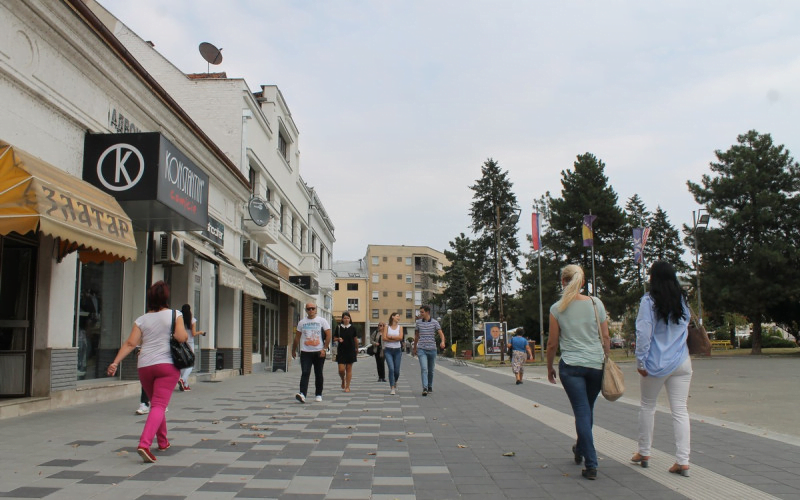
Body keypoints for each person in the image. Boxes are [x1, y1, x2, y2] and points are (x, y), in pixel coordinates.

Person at [106, 280, 188, 463]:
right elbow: (182, 337)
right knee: (159, 405)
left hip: (145, 366)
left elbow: (130, 344)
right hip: (167, 365)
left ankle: (163, 441)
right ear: (166, 296)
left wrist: (115, 362)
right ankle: (144, 444)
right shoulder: (176, 315)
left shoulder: (141, 320)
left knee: (156, 404)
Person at [546, 265, 610, 480]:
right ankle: (580, 450)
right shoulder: (595, 303)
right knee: (587, 410)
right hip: (595, 365)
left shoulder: (557, 308)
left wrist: (549, 367)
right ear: (582, 283)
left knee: (582, 411)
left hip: (571, 366)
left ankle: (591, 463)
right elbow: (606, 337)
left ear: (563, 281)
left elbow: (552, 343)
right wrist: (606, 360)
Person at [631, 261, 693, 477]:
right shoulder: (682, 300)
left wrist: (641, 361)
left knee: (648, 406)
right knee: (680, 410)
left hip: (655, 364)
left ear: (653, 278)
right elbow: (686, 325)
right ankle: (683, 461)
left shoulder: (649, 301)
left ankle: (644, 452)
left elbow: (644, 333)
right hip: (681, 361)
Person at [292, 302, 331, 403]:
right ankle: (302, 394)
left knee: (318, 373)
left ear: (316, 309)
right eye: (308, 309)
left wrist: (324, 349)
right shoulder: (302, 322)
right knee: (305, 372)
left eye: (313, 308)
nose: (311, 311)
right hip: (306, 351)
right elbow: (297, 337)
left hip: (319, 351)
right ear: (306, 310)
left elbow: (328, 335)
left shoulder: (322, 321)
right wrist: (293, 350)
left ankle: (318, 394)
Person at [413, 305, 445, 396]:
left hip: (432, 349)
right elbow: (416, 336)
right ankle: (425, 387)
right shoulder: (418, 322)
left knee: (430, 370)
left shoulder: (435, 322)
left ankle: (430, 385)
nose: (420, 313)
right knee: (424, 368)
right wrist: (415, 347)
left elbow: (441, 334)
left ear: (427, 312)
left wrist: (442, 341)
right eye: (420, 312)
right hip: (421, 348)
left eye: (422, 312)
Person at [178, 304, 204, 392]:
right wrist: (200, 332)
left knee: (183, 362)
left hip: (181, 342)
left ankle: (185, 384)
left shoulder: (179, 320)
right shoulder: (192, 320)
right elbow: (193, 333)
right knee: (190, 363)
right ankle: (183, 379)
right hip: (189, 343)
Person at [335, 311, 358, 392]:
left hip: (350, 350)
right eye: (344, 318)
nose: (346, 319)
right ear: (342, 319)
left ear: (350, 319)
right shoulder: (338, 327)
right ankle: (342, 380)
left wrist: (357, 348)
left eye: (348, 318)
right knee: (341, 369)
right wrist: (338, 339)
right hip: (341, 350)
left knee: (349, 368)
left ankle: (347, 386)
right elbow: (334, 338)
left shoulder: (353, 328)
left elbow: (355, 339)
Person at [383, 313, 404, 395]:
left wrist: (390, 337)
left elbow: (400, 338)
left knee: (397, 371)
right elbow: (384, 338)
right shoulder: (386, 327)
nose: (399, 317)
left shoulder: (400, 327)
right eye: (397, 316)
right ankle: (392, 387)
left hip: (397, 351)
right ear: (392, 317)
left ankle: (395, 380)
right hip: (388, 350)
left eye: (399, 316)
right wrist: (395, 339)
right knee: (391, 368)